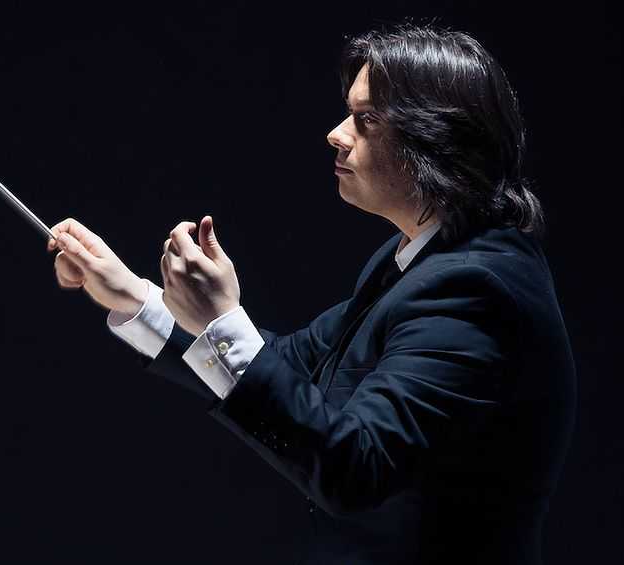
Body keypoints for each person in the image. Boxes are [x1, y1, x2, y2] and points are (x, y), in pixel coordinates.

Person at [44, 24, 575, 565]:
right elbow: (292, 366)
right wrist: (133, 296)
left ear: (436, 137)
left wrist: (222, 318)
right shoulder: (423, 257)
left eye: (366, 120)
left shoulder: (474, 288)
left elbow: (356, 469)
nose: (336, 134)